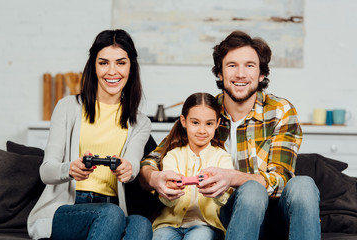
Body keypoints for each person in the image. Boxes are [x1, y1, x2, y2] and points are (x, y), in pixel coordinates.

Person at [139, 30, 321, 240]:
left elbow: (280, 180)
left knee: (303, 185)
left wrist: (233, 178)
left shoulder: (280, 110)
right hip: (229, 214)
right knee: (251, 191)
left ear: (261, 74)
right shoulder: (206, 112)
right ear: (220, 73)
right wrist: (154, 178)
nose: (240, 74)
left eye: (249, 65)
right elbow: (153, 160)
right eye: (232, 65)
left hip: (274, 212)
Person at [27, 29, 153, 240]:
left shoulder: (140, 122)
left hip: (112, 207)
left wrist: (127, 169)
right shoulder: (68, 107)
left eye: (121, 63)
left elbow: (133, 165)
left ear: (131, 67)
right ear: (94, 67)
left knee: (141, 224)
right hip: (68, 208)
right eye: (103, 63)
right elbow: (46, 171)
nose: (112, 71)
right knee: (111, 215)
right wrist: (70, 169)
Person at [152, 92, 234, 240]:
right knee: (159, 237)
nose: (202, 130)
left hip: (205, 225)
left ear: (217, 123)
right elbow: (166, 200)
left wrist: (218, 192)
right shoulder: (172, 156)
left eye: (209, 123)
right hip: (169, 224)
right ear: (184, 121)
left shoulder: (223, 158)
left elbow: (226, 201)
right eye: (195, 123)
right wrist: (171, 192)